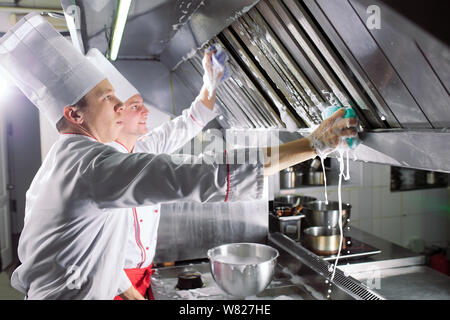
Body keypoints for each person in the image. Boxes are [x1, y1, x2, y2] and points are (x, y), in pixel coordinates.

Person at [0, 13, 357, 300]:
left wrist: (210, 86)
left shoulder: (71, 159)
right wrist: (314, 144)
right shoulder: (93, 165)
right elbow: (203, 176)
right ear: (75, 115)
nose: (122, 110)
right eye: (108, 99)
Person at [86, 48, 222, 300]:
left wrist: (210, 81)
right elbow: (97, 252)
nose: (146, 112)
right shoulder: (101, 166)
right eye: (136, 106)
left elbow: (193, 119)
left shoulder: (147, 146)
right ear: (116, 112)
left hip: (144, 273)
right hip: (112, 283)